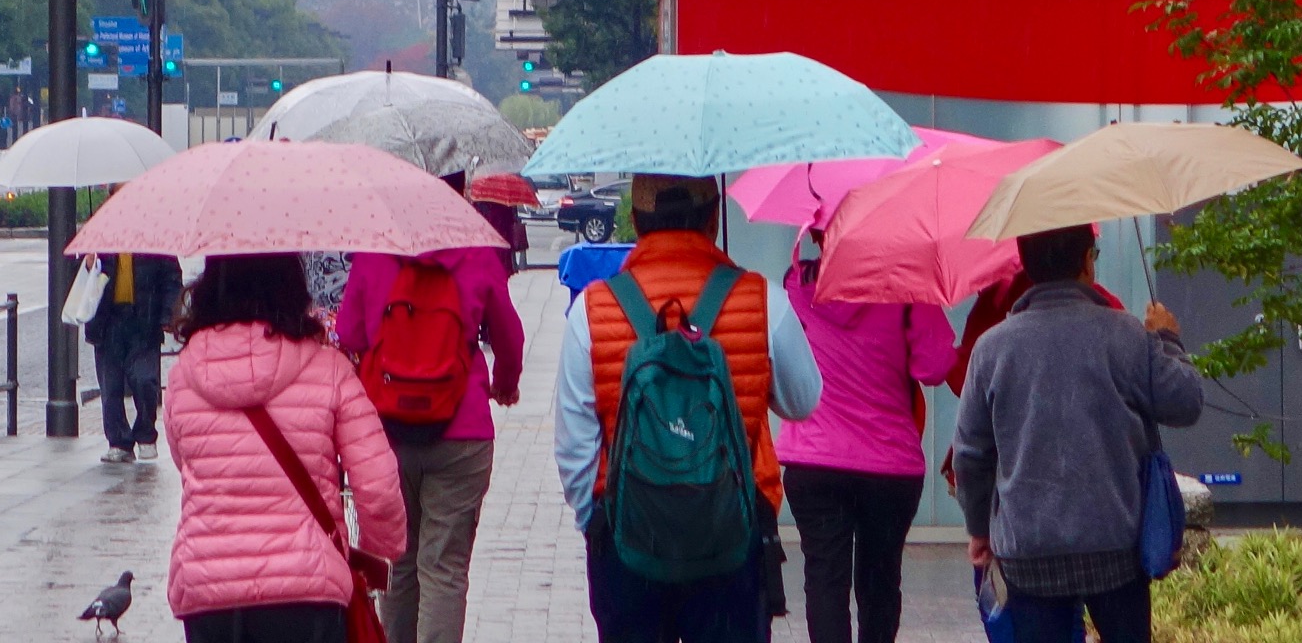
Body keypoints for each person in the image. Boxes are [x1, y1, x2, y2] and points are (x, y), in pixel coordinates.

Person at [554, 173, 822, 643]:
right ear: (714, 218)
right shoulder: (763, 301)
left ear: (636, 223)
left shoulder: (591, 312)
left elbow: (574, 447)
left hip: (627, 540)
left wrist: (597, 525)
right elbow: (804, 401)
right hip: (732, 536)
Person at [953, 225, 1204, 643]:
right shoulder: (1125, 334)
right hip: (1116, 547)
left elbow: (971, 455)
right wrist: (1166, 340)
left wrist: (980, 529)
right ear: (1088, 261)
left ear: (1028, 266)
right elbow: (1186, 403)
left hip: (1029, 552)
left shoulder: (992, 348)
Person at [164, 252, 408, 643]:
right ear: (292, 285)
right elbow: (378, 488)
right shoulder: (329, 370)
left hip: (210, 592)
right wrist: (382, 550)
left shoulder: (183, 378)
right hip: (307, 589)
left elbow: (185, 462)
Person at [336, 240, 525, 643]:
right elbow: (510, 336)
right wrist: (503, 385)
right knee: (444, 568)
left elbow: (349, 333)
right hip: (463, 432)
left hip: (386, 431)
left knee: (399, 562)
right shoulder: (477, 253)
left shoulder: (375, 253)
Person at [779, 235, 956, 643]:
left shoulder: (796, 282)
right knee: (880, 580)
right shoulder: (907, 286)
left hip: (814, 459)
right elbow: (934, 366)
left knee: (825, 578)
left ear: (823, 234)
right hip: (889, 465)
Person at [83, 249, 183, 463]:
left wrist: (167, 315)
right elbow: (75, 281)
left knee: (145, 378)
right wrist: (88, 267)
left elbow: (172, 279)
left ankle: (146, 433)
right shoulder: (100, 241)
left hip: (144, 321)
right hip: (107, 322)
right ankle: (118, 442)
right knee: (111, 386)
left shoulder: (152, 241)